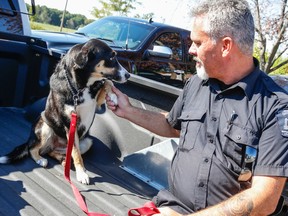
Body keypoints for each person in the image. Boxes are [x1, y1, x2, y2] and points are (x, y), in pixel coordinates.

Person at [106, 0, 288, 215]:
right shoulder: (197, 83)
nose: (190, 50)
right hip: (173, 207)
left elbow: (264, 199)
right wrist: (128, 111)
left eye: (198, 43)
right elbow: (172, 126)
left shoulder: (275, 105)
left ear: (226, 46)